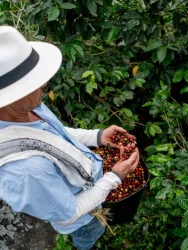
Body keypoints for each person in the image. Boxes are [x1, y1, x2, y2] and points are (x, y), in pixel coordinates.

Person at [0, 26, 139, 250]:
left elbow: (54, 132)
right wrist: (115, 177)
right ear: (8, 97)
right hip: (82, 218)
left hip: (92, 185)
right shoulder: (26, 171)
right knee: (88, 234)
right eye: (34, 83)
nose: (44, 84)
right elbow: (69, 213)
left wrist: (98, 136)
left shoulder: (24, 108)